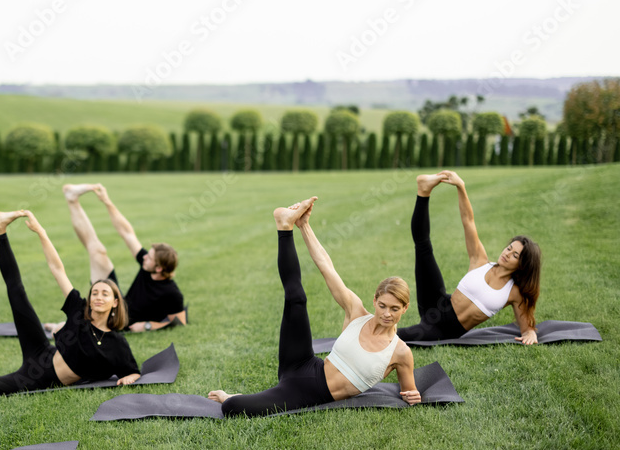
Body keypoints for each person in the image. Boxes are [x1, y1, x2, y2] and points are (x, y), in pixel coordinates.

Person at [208, 198, 421, 417]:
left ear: (405, 308)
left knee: (231, 408)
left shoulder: (400, 352)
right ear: (374, 301)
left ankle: (231, 396)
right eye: (383, 305)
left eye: (395, 309)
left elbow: (409, 391)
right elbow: (327, 267)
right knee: (296, 298)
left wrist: (413, 395)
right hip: (303, 362)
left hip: (307, 393)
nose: (387, 314)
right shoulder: (356, 313)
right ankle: (285, 225)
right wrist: (305, 225)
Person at [0, 210, 141, 396]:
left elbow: (132, 371)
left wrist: (132, 377)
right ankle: (0, 229)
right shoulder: (79, 311)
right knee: (16, 292)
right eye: (94, 293)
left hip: (37, 377)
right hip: (42, 350)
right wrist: (41, 232)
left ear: (115, 303)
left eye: (104, 294)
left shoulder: (117, 344)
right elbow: (57, 269)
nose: (97, 297)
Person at [397, 171, 542, 345]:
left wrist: (530, 333)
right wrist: (461, 186)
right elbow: (468, 221)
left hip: (442, 331)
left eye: (515, 255)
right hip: (438, 301)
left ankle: (364, 328)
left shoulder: (515, 292)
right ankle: (423, 191)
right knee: (423, 246)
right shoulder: (480, 261)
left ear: (523, 265)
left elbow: (526, 327)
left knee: (396, 335)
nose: (506, 253)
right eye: (509, 248)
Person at [57, 183, 186, 332]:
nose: (144, 257)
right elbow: (127, 233)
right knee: (98, 251)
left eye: (149, 258)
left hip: (118, 321)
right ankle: (72, 200)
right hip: (117, 303)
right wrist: (107, 202)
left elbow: (179, 322)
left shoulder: (172, 293)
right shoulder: (148, 266)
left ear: (159, 268)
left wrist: (147, 326)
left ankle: (57, 327)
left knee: (66, 329)